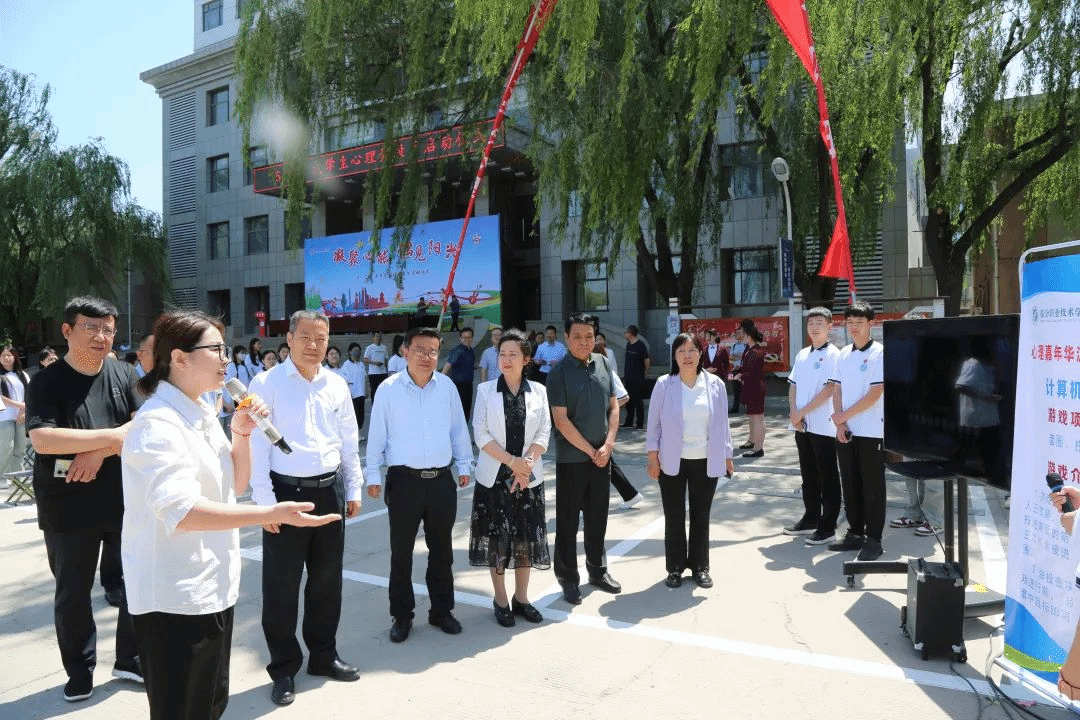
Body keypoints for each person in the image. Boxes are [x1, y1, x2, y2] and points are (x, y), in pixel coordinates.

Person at [120, 310, 340, 720]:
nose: (226, 359)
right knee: (182, 709)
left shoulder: (202, 411)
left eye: (225, 350)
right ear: (179, 358)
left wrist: (240, 432)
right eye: (216, 350)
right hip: (174, 598)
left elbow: (233, 485)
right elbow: (182, 511)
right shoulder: (158, 424)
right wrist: (268, 513)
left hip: (213, 587)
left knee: (210, 705)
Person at [25, 296, 144, 702]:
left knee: (134, 582)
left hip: (122, 499)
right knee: (73, 593)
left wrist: (96, 452)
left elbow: (144, 424)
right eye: (91, 327)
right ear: (67, 331)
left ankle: (130, 658)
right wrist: (113, 438)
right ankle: (79, 670)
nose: (101, 336)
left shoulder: (124, 373)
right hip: (67, 503)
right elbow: (44, 439)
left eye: (108, 328)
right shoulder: (46, 381)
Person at [248, 310, 365, 706]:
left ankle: (323, 655)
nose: (314, 345)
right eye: (306, 337)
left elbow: (348, 439)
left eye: (321, 338)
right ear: (290, 338)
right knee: (281, 587)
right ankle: (283, 668)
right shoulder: (267, 383)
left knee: (326, 581)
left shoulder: (336, 383)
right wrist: (266, 505)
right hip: (285, 494)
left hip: (329, 491)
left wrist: (354, 486)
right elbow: (258, 445)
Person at [366, 327, 474, 642]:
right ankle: (402, 615)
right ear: (405, 352)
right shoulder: (388, 389)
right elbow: (377, 434)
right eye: (420, 350)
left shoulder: (447, 387)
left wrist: (464, 464)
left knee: (442, 551)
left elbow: (458, 429)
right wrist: (373, 474)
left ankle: (442, 610)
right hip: (404, 482)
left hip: (441, 482)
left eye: (433, 351)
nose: (426, 357)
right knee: (401, 553)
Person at [469, 329, 551, 626]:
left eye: (513, 354)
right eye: (502, 354)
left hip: (528, 477)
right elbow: (480, 433)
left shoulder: (539, 391)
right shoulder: (485, 390)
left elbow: (544, 431)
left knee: (525, 539)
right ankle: (501, 599)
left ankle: (522, 598)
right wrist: (513, 462)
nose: (506, 359)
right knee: (497, 540)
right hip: (495, 477)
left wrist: (525, 464)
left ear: (526, 358)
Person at [646, 333, 734, 589]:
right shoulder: (664, 384)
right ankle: (675, 567)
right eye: (681, 351)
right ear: (674, 356)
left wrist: (727, 455)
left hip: (706, 459)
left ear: (700, 354)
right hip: (671, 461)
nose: (687, 356)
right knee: (674, 516)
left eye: (692, 350)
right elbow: (654, 425)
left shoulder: (715, 384)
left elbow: (724, 423)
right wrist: (652, 457)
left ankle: (700, 567)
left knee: (701, 516)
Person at [547, 313, 622, 604]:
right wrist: (592, 451)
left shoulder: (603, 362)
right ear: (566, 338)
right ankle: (568, 579)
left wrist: (609, 444)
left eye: (589, 336)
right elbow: (561, 420)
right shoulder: (559, 372)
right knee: (567, 523)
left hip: (602, 458)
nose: (583, 341)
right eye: (577, 336)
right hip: (572, 460)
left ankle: (598, 571)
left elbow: (614, 407)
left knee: (597, 518)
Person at [828, 301, 886, 561]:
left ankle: (874, 539)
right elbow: (837, 388)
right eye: (850, 322)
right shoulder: (843, 354)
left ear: (871, 323)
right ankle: (855, 533)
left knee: (872, 486)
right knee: (850, 483)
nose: (854, 327)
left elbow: (875, 394)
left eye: (859, 322)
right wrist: (840, 423)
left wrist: (843, 416)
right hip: (846, 430)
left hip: (871, 430)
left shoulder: (879, 353)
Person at [785, 307, 842, 546]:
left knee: (827, 477)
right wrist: (794, 413)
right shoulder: (802, 354)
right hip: (801, 425)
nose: (814, 327)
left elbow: (829, 389)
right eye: (811, 323)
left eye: (820, 322)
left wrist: (801, 412)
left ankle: (828, 526)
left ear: (829, 326)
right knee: (808, 475)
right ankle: (810, 518)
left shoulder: (833, 354)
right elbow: (793, 385)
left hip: (824, 426)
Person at [595, 338, 643, 510]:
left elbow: (624, 397)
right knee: (602, 462)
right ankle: (631, 495)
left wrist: (606, 409)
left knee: (600, 461)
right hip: (593, 424)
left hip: (602, 424)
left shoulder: (607, 372)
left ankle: (630, 495)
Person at [733, 320, 767, 457]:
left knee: (758, 418)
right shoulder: (749, 349)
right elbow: (746, 367)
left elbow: (753, 373)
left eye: (742, 332)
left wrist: (740, 375)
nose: (740, 335)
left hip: (756, 388)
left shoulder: (756, 351)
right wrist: (738, 370)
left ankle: (758, 448)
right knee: (752, 417)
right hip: (750, 388)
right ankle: (752, 441)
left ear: (748, 334)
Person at [1, 344, 30, 478]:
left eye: (9, 355)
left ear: (15, 357)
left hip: (21, 416)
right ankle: (3, 477)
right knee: (6, 448)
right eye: (3, 355)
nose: (6, 358)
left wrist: (23, 411)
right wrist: (20, 406)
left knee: (20, 449)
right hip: (4, 417)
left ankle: (19, 478)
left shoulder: (23, 375)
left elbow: (30, 395)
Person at [442, 327, 476, 421]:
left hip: (469, 385)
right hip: (459, 386)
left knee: (466, 411)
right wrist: (441, 381)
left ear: (472, 338)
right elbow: (448, 365)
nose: (467, 339)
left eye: (469, 337)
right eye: (464, 337)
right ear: (460, 338)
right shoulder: (457, 351)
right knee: (459, 412)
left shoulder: (471, 350)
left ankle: (464, 428)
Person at [621, 325, 650, 429]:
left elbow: (646, 360)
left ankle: (640, 423)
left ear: (631, 333)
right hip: (628, 377)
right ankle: (629, 422)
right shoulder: (629, 345)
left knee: (637, 400)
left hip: (637, 377)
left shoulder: (640, 346)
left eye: (626, 332)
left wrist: (645, 371)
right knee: (628, 400)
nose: (625, 334)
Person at [341, 342, 368, 438]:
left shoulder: (361, 364)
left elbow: (364, 378)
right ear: (350, 352)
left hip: (361, 394)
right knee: (354, 415)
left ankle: (359, 434)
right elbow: (345, 380)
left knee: (361, 415)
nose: (357, 352)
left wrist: (366, 390)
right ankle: (353, 436)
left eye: (359, 351)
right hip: (353, 394)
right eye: (355, 350)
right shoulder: (346, 365)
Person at [729, 328, 748, 414]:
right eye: (736, 333)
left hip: (745, 369)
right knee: (736, 390)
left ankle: (747, 408)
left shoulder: (746, 345)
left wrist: (737, 356)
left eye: (738, 333)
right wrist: (740, 356)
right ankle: (735, 408)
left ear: (743, 334)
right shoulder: (734, 345)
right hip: (736, 369)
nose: (736, 335)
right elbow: (731, 357)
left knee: (746, 389)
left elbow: (747, 356)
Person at [364, 332, 389, 397]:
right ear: (373, 338)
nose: (378, 338)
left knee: (384, 391)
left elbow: (386, 359)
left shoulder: (384, 347)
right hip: (373, 373)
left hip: (383, 373)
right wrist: (375, 363)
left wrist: (386, 370)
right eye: (377, 336)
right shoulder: (369, 348)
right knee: (374, 391)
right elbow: (365, 360)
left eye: (380, 336)